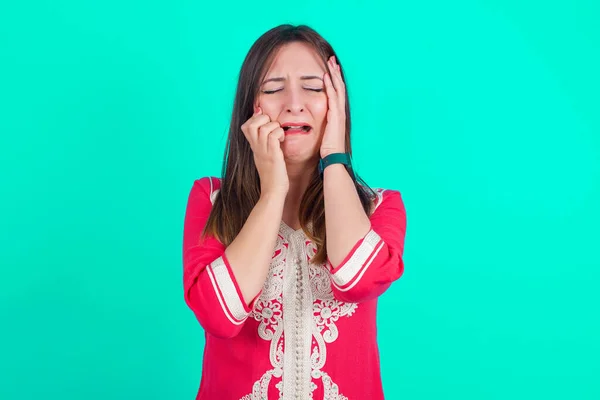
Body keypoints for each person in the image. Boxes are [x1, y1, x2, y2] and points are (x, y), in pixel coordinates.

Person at [182, 24, 407, 400]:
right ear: (249, 106)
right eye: (272, 89)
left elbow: (358, 279)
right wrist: (273, 191)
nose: (294, 104)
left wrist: (334, 156)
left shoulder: (380, 207)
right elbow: (220, 315)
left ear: (338, 104)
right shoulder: (211, 200)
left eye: (314, 87)